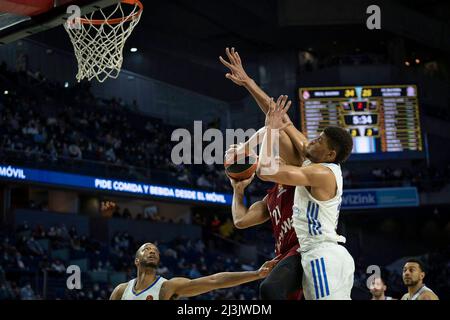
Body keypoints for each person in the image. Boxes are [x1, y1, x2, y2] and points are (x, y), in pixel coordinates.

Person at [221, 48, 306, 300]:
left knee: (268, 290)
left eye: (276, 155)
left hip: (304, 252)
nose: (274, 157)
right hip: (284, 259)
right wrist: (237, 192)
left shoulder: (298, 175)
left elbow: (277, 125)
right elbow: (241, 221)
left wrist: (246, 146)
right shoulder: (271, 198)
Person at [256, 97, 355, 300]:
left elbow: (265, 170)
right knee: (270, 290)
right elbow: (283, 120)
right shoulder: (317, 160)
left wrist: (270, 130)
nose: (312, 140)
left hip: (322, 254)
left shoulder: (322, 173)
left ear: (330, 154)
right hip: (312, 251)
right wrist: (247, 82)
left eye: (319, 140)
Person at [109, 242, 277, 300]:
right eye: (146, 249)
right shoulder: (121, 291)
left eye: (155, 250)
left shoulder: (168, 287)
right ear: (136, 260)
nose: (152, 251)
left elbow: (214, 281)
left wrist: (256, 274)